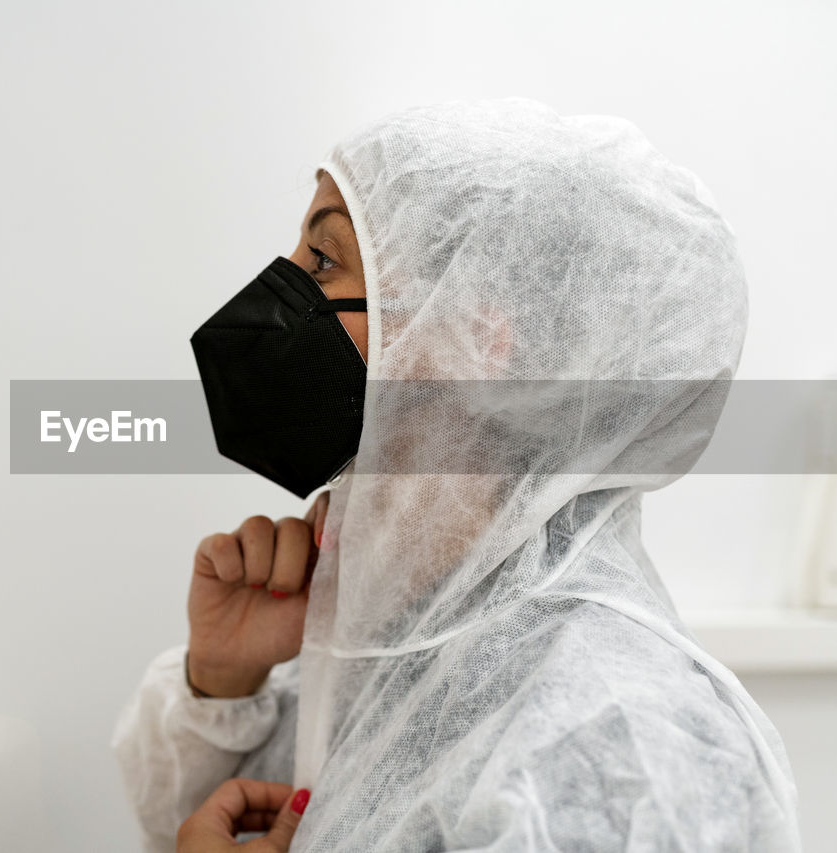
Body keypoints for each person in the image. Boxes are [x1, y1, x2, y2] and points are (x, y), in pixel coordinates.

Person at [111, 98, 801, 852]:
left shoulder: (611, 738)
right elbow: (201, 824)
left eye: (324, 261)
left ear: (479, 335)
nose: (280, 296)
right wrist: (222, 679)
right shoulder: (382, 649)